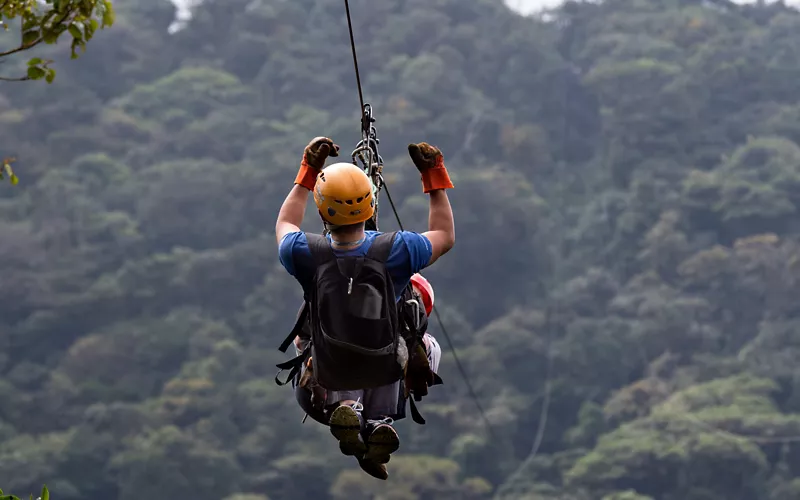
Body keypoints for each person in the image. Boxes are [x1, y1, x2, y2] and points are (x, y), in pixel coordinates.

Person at [275, 136, 455, 479]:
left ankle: (349, 405)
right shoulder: (399, 250)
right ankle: (379, 419)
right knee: (424, 343)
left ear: (322, 209)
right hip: (385, 364)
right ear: (371, 206)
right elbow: (444, 235)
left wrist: (308, 171)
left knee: (312, 339)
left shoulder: (305, 253)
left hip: (330, 367)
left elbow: (285, 225)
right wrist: (433, 176)